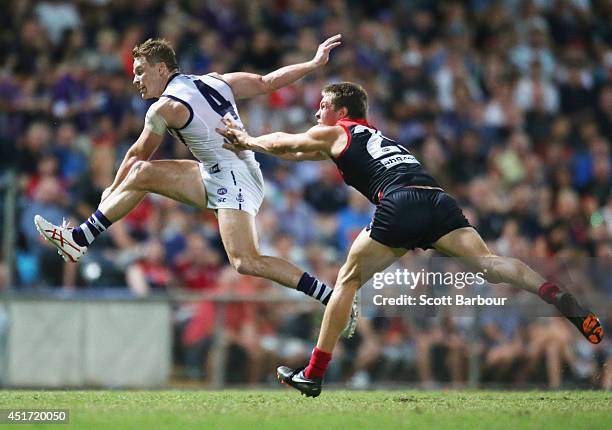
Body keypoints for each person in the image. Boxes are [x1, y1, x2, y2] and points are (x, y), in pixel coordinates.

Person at [219, 81, 604, 397]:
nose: (316, 111)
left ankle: (314, 373)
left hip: (399, 202)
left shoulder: (338, 131)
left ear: (341, 110)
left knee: (347, 282)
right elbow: (300, 154)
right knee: (490, 264)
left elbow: (289, 143)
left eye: (322, 105)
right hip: (436, 198)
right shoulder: (378, 138)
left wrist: (247, 140)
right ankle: (554, 293)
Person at [34, 36, 358, 336]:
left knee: (246, 261)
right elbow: (265, 82)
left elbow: (136, 152)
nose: (135, 79)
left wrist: (110, 191)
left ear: (161, 69)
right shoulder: (213, 80)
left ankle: (329, 297)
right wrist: (313, 64)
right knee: (142, 174)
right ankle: (79, 238)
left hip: (234, 179)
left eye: (140, 71)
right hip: (220, 171)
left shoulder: (165, 107)